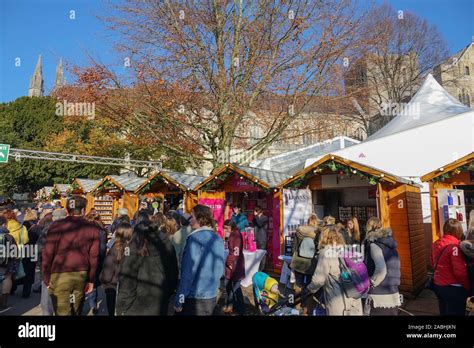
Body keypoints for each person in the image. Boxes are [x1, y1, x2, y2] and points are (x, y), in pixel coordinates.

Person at [42, 196, 100, 316]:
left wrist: (46, 277)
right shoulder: (93, 228)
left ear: (67, 210)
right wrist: (91, 279)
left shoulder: (56, 226)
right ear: (83, 210)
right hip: (81, 273)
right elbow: (94, 257)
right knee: (76, 309)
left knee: (62, 310)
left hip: (59, 272)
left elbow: (47, 254)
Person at [115, 210, 178, 315]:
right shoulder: (167, 244)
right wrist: (165, 294)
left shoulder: (133, 247)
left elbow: (127, 281)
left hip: (135, 307)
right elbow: (173, 276)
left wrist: (121, 307)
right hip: (159, 303)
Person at [174, 205, 225, 315]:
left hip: (195, 297)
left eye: (192, 217)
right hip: (211, 295)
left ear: (200, 219)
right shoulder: (218, 238)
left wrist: (180, 297)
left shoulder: (194, 239)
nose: (190, 220)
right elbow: (220, 270)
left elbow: (187, 272)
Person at [305, 225, 363, 315]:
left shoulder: (326, 253)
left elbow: (318, 280)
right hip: (353, 296)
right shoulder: (345, 249)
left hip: (338, 300)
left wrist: (308, 289)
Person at [431, 218, 471, 315]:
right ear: (458, 231)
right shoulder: (455, 246)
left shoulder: (436, 243)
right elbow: (459, 272)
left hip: (438, 285)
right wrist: (468, 287)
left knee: (444, 311)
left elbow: (432, 262)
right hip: (453, 288)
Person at [363, 217, 401, 315]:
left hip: (380, 295)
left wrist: (371, 283)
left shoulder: (374, 245)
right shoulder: (389, 243)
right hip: (393, 291)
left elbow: (381, 270)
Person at [99, 222, 133, 316]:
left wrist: (104, 281)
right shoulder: (134, 248)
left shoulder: (115, 249)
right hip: (129, 286)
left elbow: (108, 270)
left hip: (114, 286)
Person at [37, 209, 65, 316]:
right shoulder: (70, 230)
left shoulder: (47, 230)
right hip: (64, 267)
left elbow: (40, 250)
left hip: (49, 266)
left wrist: (40, 264)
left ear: (53, 218)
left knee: (47, 295)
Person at [290, 214, 319, 314]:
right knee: (310, 285)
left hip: (299, 261)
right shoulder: (317, 233)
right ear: (315, 222)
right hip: (311, 262)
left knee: (298, 284)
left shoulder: (299, 231)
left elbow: (294, 246)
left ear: (308, 222)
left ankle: (297, 307)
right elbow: (318, 248)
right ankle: (307, 308)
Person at [84, 211, 108, 315]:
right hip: (97, 260)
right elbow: (102, 248)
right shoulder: (101, 230)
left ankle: (80, 304)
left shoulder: (84, 229)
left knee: (83, 282)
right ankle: (93, 305)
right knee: (92, 282)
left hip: (84, 259)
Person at [223, 219, 245, 315]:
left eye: (227, 228)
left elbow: (236, 252)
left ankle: (240, 309)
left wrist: (229, 262)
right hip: (231, 265)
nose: (225, 230)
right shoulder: (231, 234)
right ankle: (231, 305)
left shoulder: (236, 235)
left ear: (232, 227)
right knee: (227, 285)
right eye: (224, 228)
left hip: (236, 265)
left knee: (236, 288)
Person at [0, 216, 19, 313]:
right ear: (4, 224)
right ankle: (3, 303)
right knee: (7, 278)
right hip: (5, 263)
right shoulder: (8, 236)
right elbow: (15, 252)